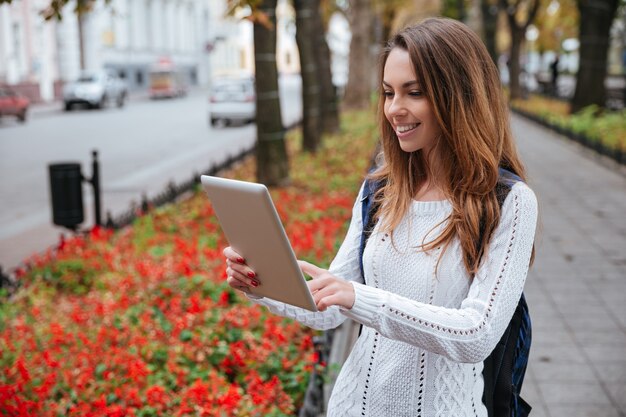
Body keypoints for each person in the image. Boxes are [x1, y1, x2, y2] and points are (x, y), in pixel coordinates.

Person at [223, 17, 538, 417]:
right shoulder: (382, 189)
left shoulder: (508, 202)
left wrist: (363, 299)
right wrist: (261, 283)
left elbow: (475, 335)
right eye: (388, 93)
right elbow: (332, 309)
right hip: (353, 406)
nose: (395, 109)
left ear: (459, 95)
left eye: (414, 92)